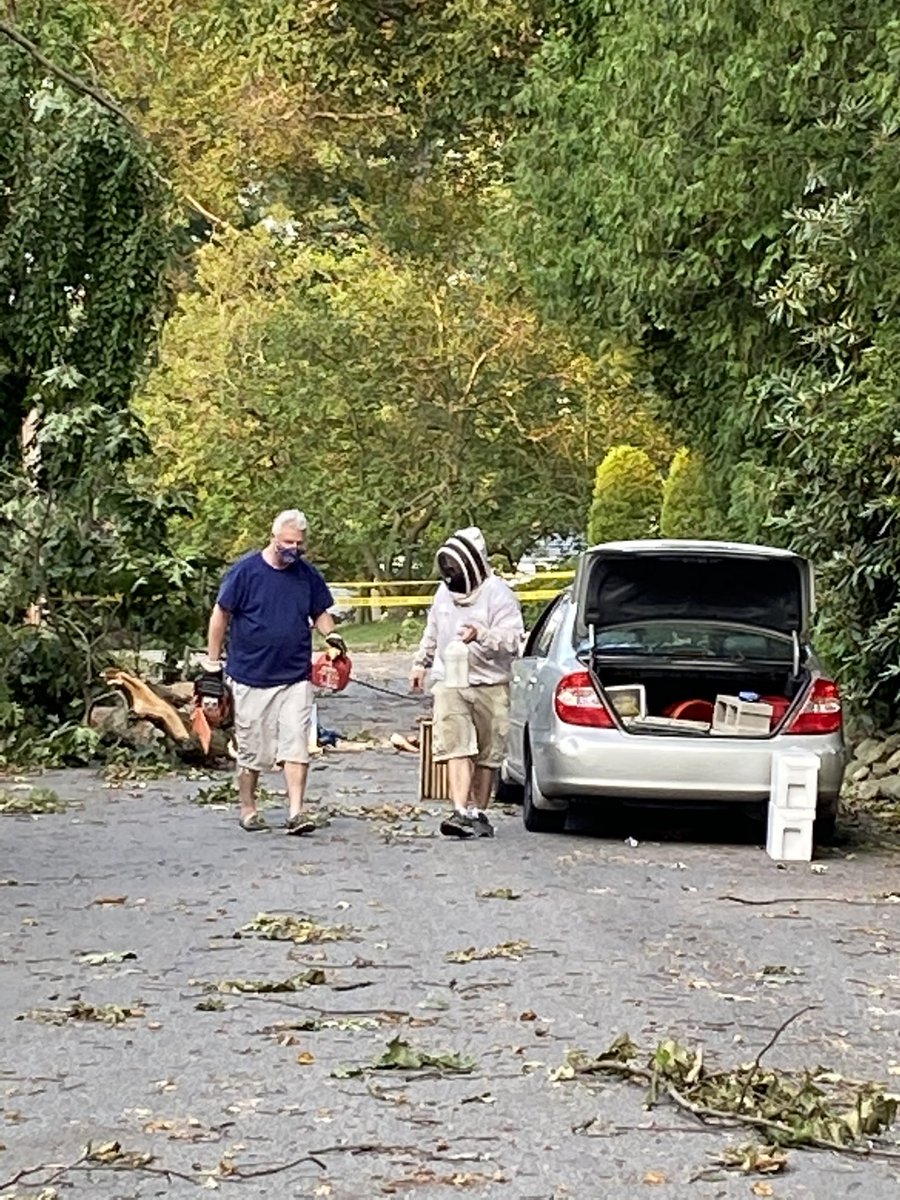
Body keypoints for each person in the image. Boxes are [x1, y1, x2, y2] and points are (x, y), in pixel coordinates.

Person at [204, 509, 346, 835]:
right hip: (250, 675)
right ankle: (248, 807)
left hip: (295, 676)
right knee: (252, 749)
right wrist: (212, 664)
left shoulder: (307, 575)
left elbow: (320, 612)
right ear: (273, 538)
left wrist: (332, 635)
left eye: (299, 543)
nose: (294, 549)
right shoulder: (245, 572)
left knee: (296, 743)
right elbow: (221, 614)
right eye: (288, 542)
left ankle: (297, 812)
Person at [410, 526, 524, 838]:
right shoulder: (443, 593)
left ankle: (478, 813)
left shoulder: (499, 594)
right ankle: (460, 811)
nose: (453, 574)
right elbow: (433, 629)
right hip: (451, 681)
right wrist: (421, 662)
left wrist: (481, 635)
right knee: (456, 744)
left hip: (491, 683)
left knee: (488, 753)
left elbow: (514, 640)